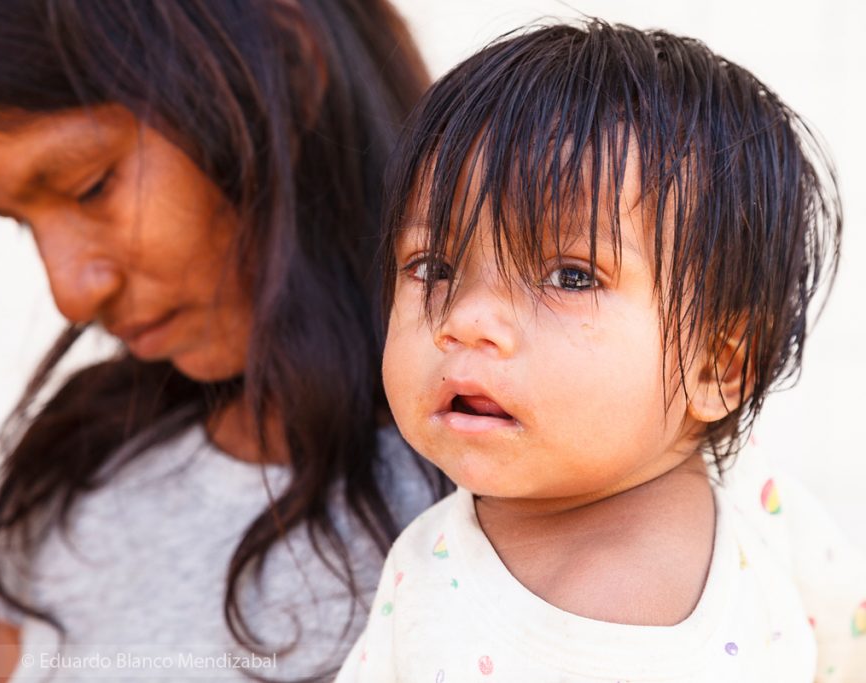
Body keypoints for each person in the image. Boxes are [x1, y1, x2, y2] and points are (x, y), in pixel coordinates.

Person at [0, 1, 447, 680]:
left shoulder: (505, 503)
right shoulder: (73, 473)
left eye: (90, 186)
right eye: (21, 223)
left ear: (283, 62)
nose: (69, 292)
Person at [337, 20, 866, 682]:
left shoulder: (754, 518)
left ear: (719, 363)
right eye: (434, 264)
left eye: (571, 276)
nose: (466, 320)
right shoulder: (757, 500)